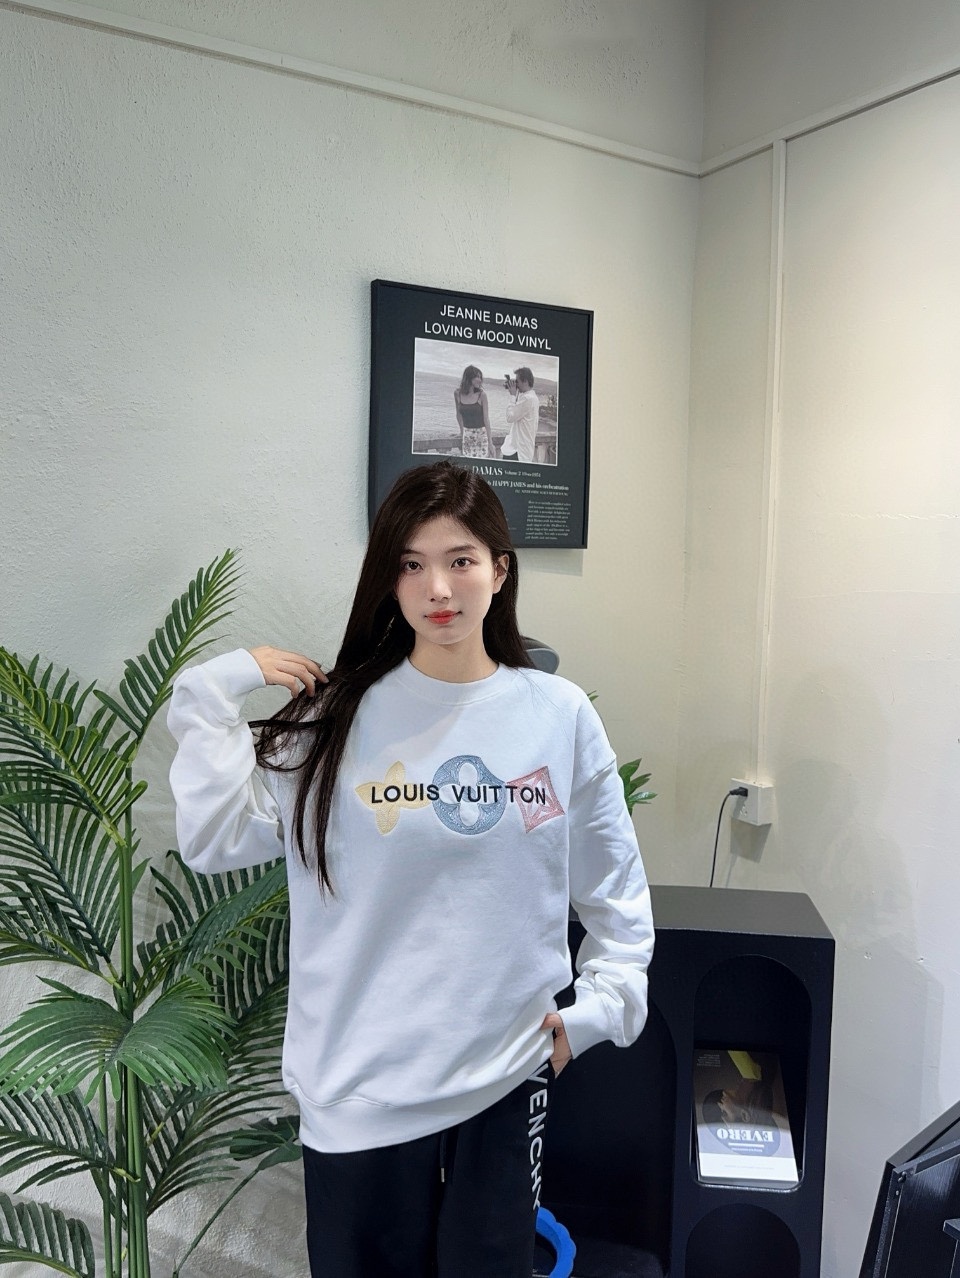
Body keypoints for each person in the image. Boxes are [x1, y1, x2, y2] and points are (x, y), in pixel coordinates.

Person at [167, 460, 654, 1278]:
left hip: (502, 1080)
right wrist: (211, 690)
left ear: (500, 571)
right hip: (358, 1093)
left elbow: (615, 887)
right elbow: (215, 840)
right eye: (411, 563)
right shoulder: (334, 719)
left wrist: (602, 1009)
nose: (439, 588)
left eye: (461, 560)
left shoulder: (557, 715)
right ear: (388, 581)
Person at [500, 367, 540, 463]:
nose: (516, 384)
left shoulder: (528, 398)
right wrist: (516, 392)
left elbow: (510, 418)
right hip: (523, 450)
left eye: (517, 381)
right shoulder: (532, 397)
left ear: (525, 381)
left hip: (518, 451)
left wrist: (512, 395)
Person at [453, 365, 493, 458]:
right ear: (469, 378)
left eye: (480, 377)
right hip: (467, 435)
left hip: (481, 436)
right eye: (477, 377)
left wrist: (490, 443)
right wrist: (462, 432)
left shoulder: (482, 395)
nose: (480, 380)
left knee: (481, 464)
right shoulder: (457, 393)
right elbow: (458, 415)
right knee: (468, 464)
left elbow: (486, 419)